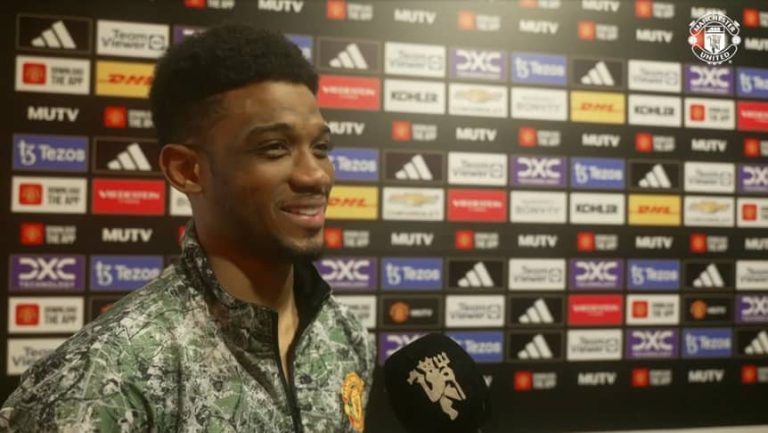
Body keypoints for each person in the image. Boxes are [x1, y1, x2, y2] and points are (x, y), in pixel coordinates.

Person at [0, 25, 375, 433]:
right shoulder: (104, 377)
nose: (315, 175)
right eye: (274, 148)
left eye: (321, 148)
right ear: (187, 170)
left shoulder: (346, 335)